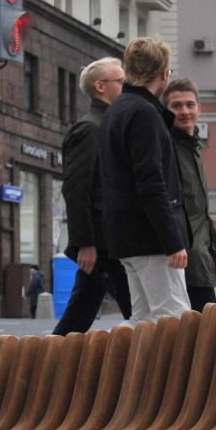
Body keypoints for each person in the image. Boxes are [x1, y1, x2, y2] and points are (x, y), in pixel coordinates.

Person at [101, 37, 190, 322]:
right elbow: (151, 184)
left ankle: (136, 368)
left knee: (143, 320)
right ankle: (173, 369)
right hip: (151, 238)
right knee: (174, 320)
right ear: (164, 74)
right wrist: (173, 240)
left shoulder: (116, 109)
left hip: (125, 236)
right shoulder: (145, 114)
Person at [53, 58, 133, 335]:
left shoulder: (108, 124)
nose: (126, 86)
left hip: (108, 239)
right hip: (101, 242)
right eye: (121, 81)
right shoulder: (90, 128)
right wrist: (85, 243)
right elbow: (76, 189)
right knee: (138, 311)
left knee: (78, 317)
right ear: (100, 86)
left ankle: (50, 367)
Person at [164, 77, 216, 310]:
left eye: (190, 105)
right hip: (183, 256)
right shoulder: (168, 147)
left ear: (200, 108)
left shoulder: (193, 148)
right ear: (166, 110)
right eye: (176, 106)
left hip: (199, 254)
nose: (184, 111)